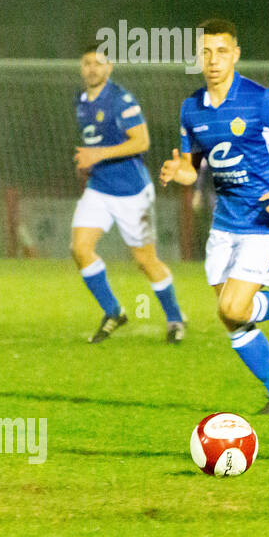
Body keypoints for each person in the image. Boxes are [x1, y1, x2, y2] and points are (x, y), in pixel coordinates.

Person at [159, 19, 269, 413]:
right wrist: (181, 172)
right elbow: (193, 164)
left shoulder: (260, 100)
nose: (213, 60)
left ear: (235, 54)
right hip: (225, 221)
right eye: (205, 52)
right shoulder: (191, 108)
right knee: (232, 316)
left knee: (233, 308)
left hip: (266, 217)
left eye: (221, 51)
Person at [71, 43, 186, 343]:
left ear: (109, 68)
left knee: (146, 261)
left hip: (133, 192)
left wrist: (96, 155)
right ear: (81, 68)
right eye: (87, 63)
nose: (93, 68)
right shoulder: (81, 101)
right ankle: (113, 311)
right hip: (99, 189)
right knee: (80, 249)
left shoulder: (121, 100)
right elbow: (96, 142)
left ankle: (175, 319)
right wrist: (88, 163)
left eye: (99, 63)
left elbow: (141, 142)